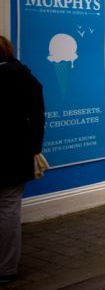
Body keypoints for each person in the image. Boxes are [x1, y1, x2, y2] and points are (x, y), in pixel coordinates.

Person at [0, 36, 45, 284]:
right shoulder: (25, 77)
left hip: (13, 153)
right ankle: (6, 268)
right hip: (15, 154)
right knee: (8, 207)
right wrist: (34, 147)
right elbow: (38, 114)